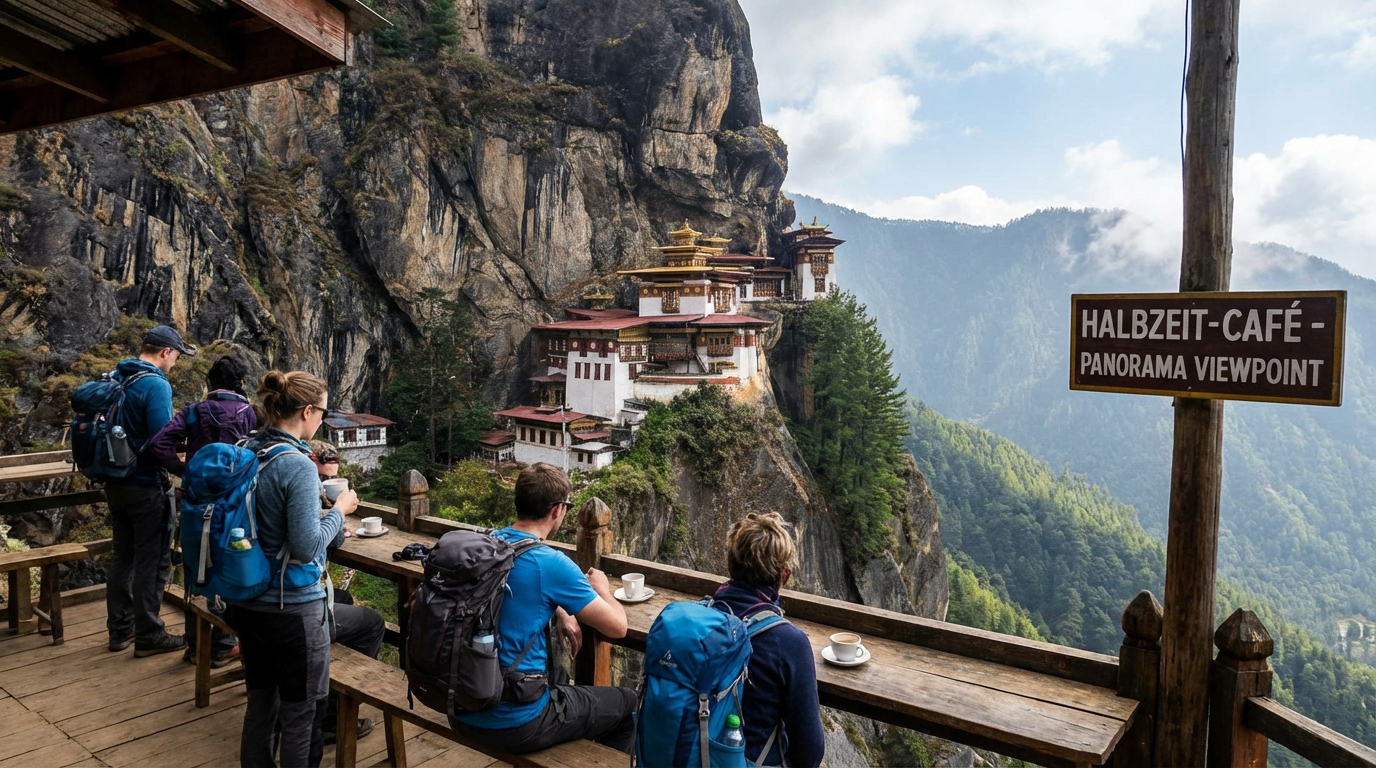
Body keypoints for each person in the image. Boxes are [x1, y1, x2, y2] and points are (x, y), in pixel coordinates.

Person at [225, 371, 383, 768]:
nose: (322, 421)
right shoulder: (296, 464)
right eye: (324, 413)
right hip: (292, 608)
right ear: (307, 411)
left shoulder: (247, 449)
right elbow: (306, 547)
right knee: (302, 714)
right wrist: (340, 511)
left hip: (246, 599)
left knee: (261, 705)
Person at [453, 462, 636, 754]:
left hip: (458, 707)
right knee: (626, 703)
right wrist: (602, 588)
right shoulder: (551, 563)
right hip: (515, 723)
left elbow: (516, 593)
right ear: (557, 510)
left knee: (559, 676)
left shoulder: (484, 545)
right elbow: (618, 627)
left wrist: (560, 608)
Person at [147, 355, 257, 667]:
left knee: (197, 571)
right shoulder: (249, 414)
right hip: (236, 506)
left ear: (211, 382)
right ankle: (223, 645)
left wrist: (186, 471)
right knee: (233, 567)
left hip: (197, 504)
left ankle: (196, 644)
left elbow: (158, 446)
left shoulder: (194, 411)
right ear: (241, 383)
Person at [106, 324, 196, 658]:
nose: (175, 362)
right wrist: (184, 471)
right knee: (153, 559)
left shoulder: (117, 376)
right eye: (176, 356)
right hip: (145, 484)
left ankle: (120, 630)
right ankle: (149, 634)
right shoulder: (156, 384)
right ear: (165, 352)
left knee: (123, 556)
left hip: (114, 482)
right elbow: (161, 441)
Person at [711, 513, 825, 768]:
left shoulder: (703, 618)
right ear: (785, 576)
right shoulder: (789, 642)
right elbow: (810, 752)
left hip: (691, 755)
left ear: (731, 566)